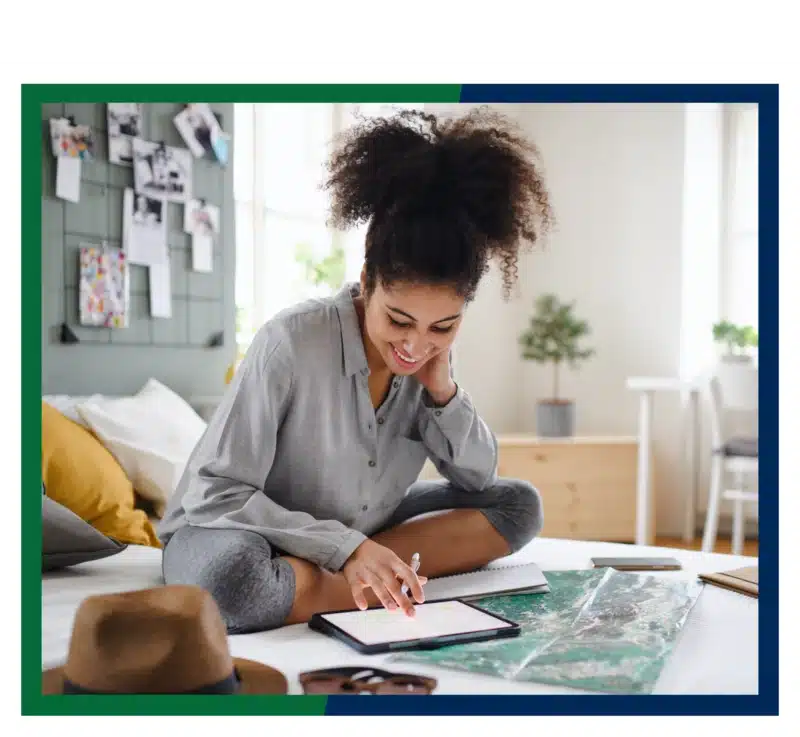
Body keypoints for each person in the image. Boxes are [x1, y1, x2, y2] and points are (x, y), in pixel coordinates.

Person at [158, 107, 555, 634]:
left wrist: (443, 392)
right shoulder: (291, 340)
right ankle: (361, 574)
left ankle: (330, 577)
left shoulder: (427, 361)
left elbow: (479, 478)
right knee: (235, 583)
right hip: (235, 530)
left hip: (360, 522)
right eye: (399, 319)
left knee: (519, 504)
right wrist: (347, 547)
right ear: (367, 280)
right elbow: (217, 495)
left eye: (443, 327)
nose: (415, 345)